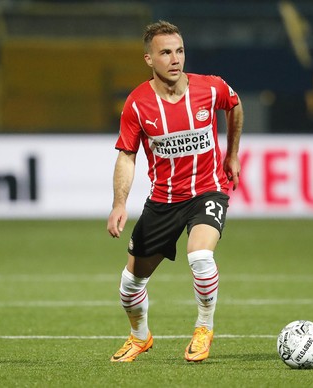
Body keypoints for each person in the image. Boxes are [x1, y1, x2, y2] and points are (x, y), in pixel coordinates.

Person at [106, 20, 243, 363]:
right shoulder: (138, 104)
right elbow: (127, 156)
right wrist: (119, 203)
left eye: (179, 50)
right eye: (165, 52)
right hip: (163, 202)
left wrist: (232, 153)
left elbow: (235, 105)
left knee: (200, 256)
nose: (175, 58)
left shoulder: (210, 89)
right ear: (149, 59)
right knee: (130, 286)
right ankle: (140, 337)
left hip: (207, 192)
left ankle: (204, 328)